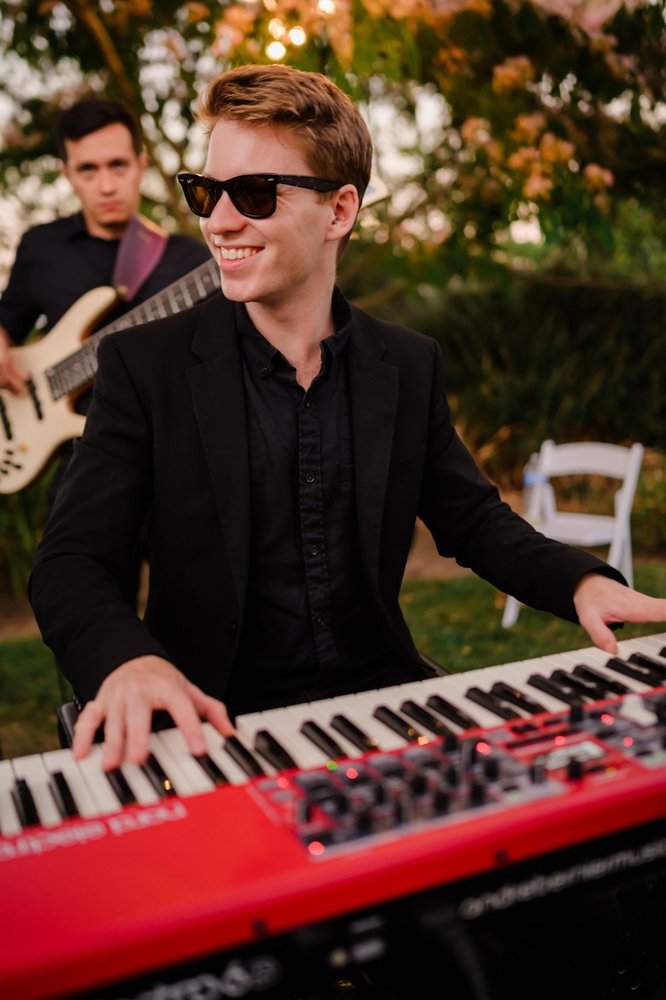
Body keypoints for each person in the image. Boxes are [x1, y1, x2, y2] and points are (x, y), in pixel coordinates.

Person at [28, 64, 665, 766]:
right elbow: (72, 561)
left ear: (339, 211)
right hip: (209, 720)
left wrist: (580, 581)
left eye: (255, 193)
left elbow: (474, 522)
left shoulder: (408, 364)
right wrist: (127, 663)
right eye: (206, 192)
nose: (219, 221)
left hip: (380, 706)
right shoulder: (142, 364)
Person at [0, 97, 211, 598]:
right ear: (67, 173)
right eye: (88, 169)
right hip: (83, 463)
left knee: (198, 609)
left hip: (177, 462)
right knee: (83, 602)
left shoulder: (192, 262)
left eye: (118, 165)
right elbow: (7, 321)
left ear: (140, 163)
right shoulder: (41, 247)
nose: (107, 184)